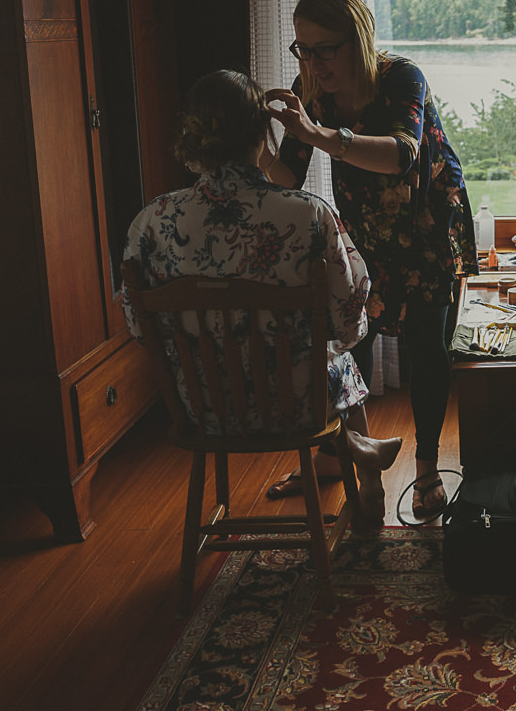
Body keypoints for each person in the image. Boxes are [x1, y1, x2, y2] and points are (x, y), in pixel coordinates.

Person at [120, 70, 402, 524]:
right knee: (334, 358)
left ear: (193, 142)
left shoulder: (151, 222)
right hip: (296, 405)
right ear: (261, 137)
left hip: (204, 408)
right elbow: (350, 317)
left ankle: (356, 454)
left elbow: (140, 329)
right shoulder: (306, 213)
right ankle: (363, 468)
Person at [262, 0, 477, 523]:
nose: (312, 62)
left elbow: (402, 155)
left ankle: (426, 468)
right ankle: (337, 455)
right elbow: (289, 176)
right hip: (365, 232)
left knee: (427, 348)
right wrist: (260, 150)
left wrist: (319, 133)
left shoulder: (403, 77)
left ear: (356, 38)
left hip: (427, 223)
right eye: (302, 50)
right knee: (349, 346)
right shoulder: (309, 88)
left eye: (323, 49)